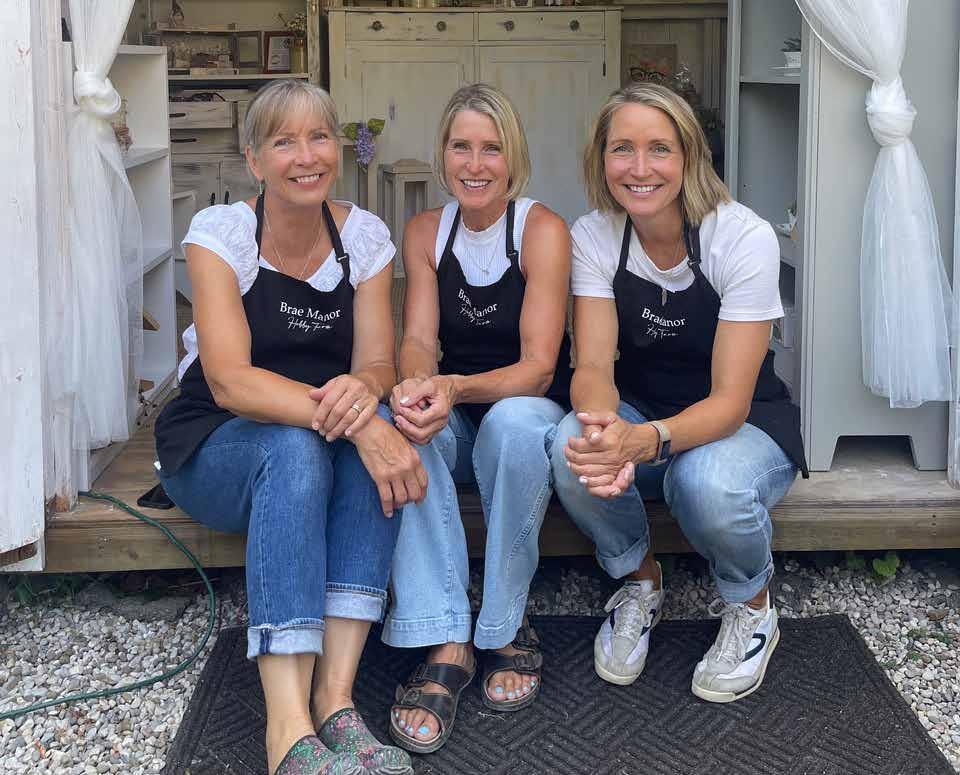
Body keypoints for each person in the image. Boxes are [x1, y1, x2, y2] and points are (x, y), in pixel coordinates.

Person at [154, 80, 425, 775]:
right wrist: (362, 424)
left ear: (338, 148)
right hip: (214, 444)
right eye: (284, 142)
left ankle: (336, 704)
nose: (306, 156)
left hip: (316, 432)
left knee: (369, 430)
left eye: (319, 137)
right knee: (305, 447)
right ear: (254, 159)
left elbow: (375, 364)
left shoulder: (363, 238)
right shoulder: (221, 235)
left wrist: (367, 406)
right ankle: (286, 732)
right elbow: (230, 381)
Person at [550, 82, 808, 704]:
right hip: (641, 409)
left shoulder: (739, 238)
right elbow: (593, 365)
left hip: (742, 422)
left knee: (704, 481)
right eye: (622, 149)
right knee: (569, 442)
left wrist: (646, 441)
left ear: (690, 156)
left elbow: (729, 402)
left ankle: (752, 605)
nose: (639, 168)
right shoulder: (595, 235)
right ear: (601, 158)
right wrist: (605, 428)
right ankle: (640, 582)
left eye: (659, 149)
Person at [381, 83, 572, 752]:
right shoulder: (426, 233)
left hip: (522, 410)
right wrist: (416, 388)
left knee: (514, 424)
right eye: (461, 146)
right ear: (443, 154)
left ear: (513, 157)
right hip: (460, 414)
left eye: (491, 148)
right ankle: (445, 634)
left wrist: (453, 386)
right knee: (404, 428)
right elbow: (417, 337)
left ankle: (505, 622)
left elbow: (539, 367)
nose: (475, 163)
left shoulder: (542, 231)